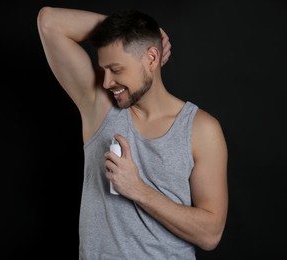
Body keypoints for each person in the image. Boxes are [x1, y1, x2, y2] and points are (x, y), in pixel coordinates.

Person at [37, 6, 228, 259]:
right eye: (103, 69)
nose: (106, 82)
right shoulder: (99, 106)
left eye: (116, 69)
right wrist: (132, 31)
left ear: (151, 58)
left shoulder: (202, 130)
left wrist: (137, 189)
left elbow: (210, 235)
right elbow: (49, 21)